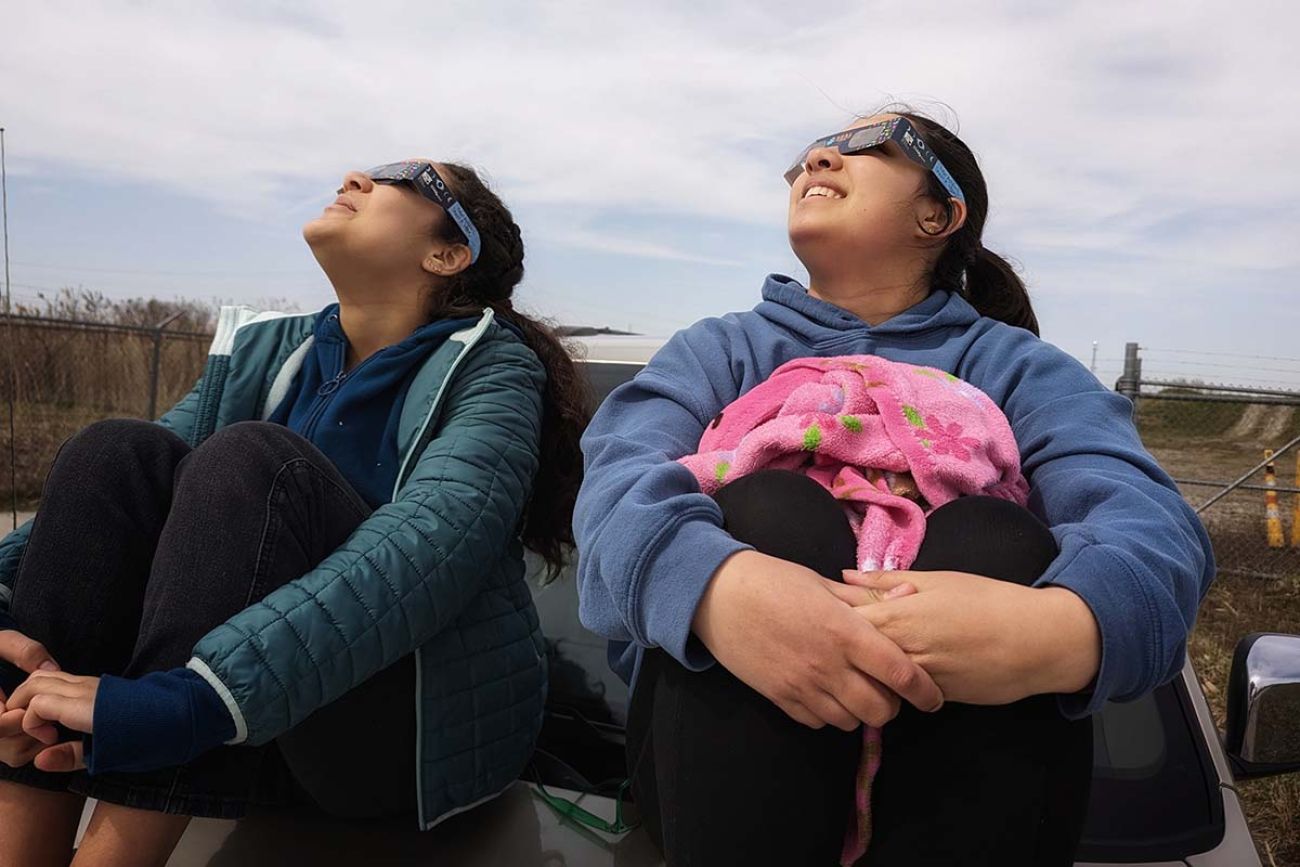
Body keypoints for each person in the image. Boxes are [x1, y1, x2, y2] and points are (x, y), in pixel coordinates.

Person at [573, 110, 1215, 866]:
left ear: (937, 214)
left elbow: (1152, 529)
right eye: (811, 153)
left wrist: (1053, 631)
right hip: (714, 794)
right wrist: (718, 590)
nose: (818, 156)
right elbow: (613, 488)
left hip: (977, 801)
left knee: (994, 538)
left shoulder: (1021, 370)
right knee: (768, 510)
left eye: (866, 147)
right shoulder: (715, 350)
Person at [0, 159, 589, 867]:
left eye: (403, 177)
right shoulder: (271, 352)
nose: (357, 176)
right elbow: (110, 503)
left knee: (252, 461)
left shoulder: (492, 369)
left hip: (386, 738)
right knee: (113, 452)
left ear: (448, 254)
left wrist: (193, 699)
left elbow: (436, 539)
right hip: (237, 731)